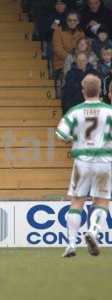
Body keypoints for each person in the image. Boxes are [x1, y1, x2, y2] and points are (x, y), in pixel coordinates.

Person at [56, 74, 112, 257]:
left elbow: (61, 134)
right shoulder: (108, 111)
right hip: (104, 161)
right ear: (100, 91)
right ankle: (93, 232)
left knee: (77, 202)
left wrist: (77, 137)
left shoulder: (75, 111)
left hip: (82, 162)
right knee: (102, 201)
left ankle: (71, 244)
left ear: (83, 91)